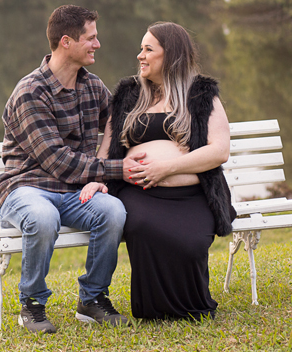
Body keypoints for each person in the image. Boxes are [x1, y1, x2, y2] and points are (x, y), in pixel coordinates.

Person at [0, 5, 145, 335]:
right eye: (90, 38)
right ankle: (32, 305)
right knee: (43, 218)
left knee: (113, 211)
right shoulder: (31, 92)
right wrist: (118, 170)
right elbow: (57, 160)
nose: (98, 44)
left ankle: (92, 300)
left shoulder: (93, 87)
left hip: (73, 191)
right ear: (66, 42)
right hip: (25, 190)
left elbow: (119, 124)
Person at [82, 22, 235, 321]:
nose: (140, 55)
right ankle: (154, 309)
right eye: (141, 48)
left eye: (148, 49)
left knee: (190, 243)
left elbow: (220, 151)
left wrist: (166, 168)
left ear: (172, 55)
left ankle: (190, 305)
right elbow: (108, 148)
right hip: (140, 193)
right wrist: (97, 180)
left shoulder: (201, 94)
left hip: (193, 195)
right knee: (142, 228)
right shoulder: (128, 95)